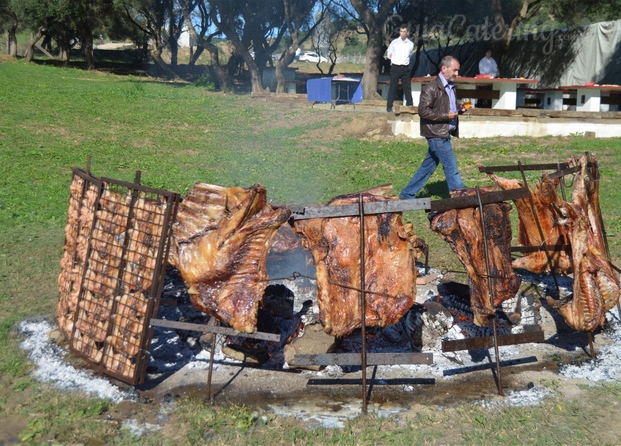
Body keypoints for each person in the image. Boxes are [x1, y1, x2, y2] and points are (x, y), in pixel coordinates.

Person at [399, 56, 466, 199]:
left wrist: (459, 108)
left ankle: (407, 194)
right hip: (437, 135)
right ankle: (461, 199)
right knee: (451, 167)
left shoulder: (451, 87)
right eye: (455, 70)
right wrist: (445, 116)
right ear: (444, 69)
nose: (457, 74)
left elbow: (447, 107)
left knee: (426, 168)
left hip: (443, 133)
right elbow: (423, 111)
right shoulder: (431, 87)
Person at [385, 24, 414, 113]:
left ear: (407, 33)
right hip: (395, 67)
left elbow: (409, 54)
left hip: (405, 68)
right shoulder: (394, 42)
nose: (402, 33)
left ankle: (410, 105)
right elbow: (389, 53)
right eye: (401, 31)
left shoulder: (410, 44)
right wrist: (393, 58)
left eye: (404, 31)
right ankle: (389, 107)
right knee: (393, 87)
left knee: (407, 87)